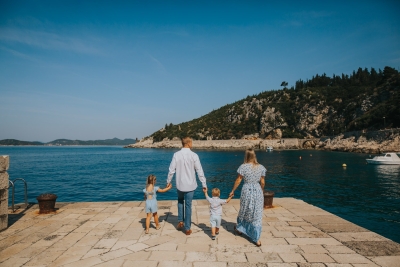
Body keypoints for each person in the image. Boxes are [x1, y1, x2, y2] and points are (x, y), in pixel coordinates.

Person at [167, 137, 207, 235]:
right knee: (188, 205)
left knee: (180, 201)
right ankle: (187, 228)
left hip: (180, 184)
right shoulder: (194, 155)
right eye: (192, 142)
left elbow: (171, 169)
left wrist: (168, 181)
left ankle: (180, 221)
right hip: (190, 185)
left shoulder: (176, 155)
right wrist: (204, 183)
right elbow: (199, 171)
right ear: (188, 143)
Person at [229, 148, 266, 246]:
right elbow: (262, 182)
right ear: (254, 156)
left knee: (245, 210)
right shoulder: (261, 167)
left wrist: (233, 191)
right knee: (256, 212)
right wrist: (261, 190)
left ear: (246, 156)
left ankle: (240, 229)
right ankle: (256, 238)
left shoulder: (243, 167)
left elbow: (238, 180)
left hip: (247, 190)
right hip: (257, 190)